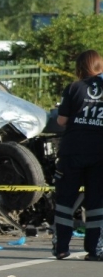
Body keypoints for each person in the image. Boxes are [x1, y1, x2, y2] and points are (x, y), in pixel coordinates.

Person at [52, 49, 103, 261]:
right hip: (99, 152)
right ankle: (96, 249)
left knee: (65, 200)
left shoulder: (74, 87)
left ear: (80, 67)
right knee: (97, 202)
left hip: (73, 150)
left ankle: (62, 247)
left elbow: (61, 121)